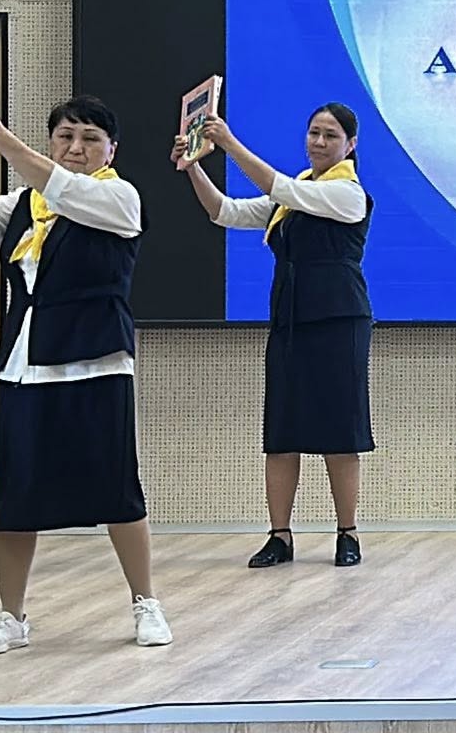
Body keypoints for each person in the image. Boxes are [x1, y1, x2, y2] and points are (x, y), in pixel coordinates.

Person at [0, 94, 173, 654]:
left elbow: (65, 190)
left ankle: (145, 602)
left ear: (111, 149)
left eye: (89, 139)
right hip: (23, 364)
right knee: (15, 495)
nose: (75, 148)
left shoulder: (119, 198)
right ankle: (11, 617)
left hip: (95, 361)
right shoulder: (24, 204)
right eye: (65, 137)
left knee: (116, 487)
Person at [175, 104, 374, 569]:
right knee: (281, 433)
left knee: (339, 432)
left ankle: (347, 533)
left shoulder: (347, 193)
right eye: (313, 132)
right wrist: (193, 167)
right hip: (289, 320)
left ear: (350, 145)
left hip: (338, 321)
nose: (318, 142)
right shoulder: (295, 194)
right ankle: (279, 536)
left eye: (330, 135)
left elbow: (277, 186)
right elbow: (224, 211)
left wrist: (229, 143)